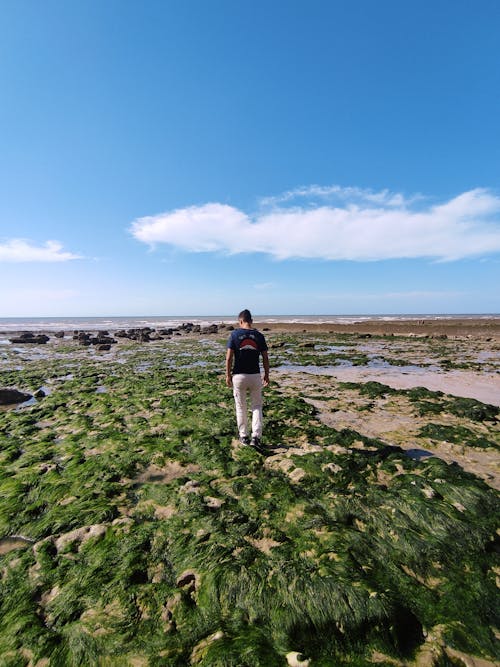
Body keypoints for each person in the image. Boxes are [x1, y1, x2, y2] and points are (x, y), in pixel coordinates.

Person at [225, 309, 270, 449]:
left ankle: (243, 436)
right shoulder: (259, 336)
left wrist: (227, 375)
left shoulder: (234, 335)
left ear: (240, 321)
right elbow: (265, 357)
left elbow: (229, 358)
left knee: (241, 407)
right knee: (256, 406)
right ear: (251, 321)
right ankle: (256, 437)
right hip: (255, 375)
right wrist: (266, 374)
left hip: (239, 376)